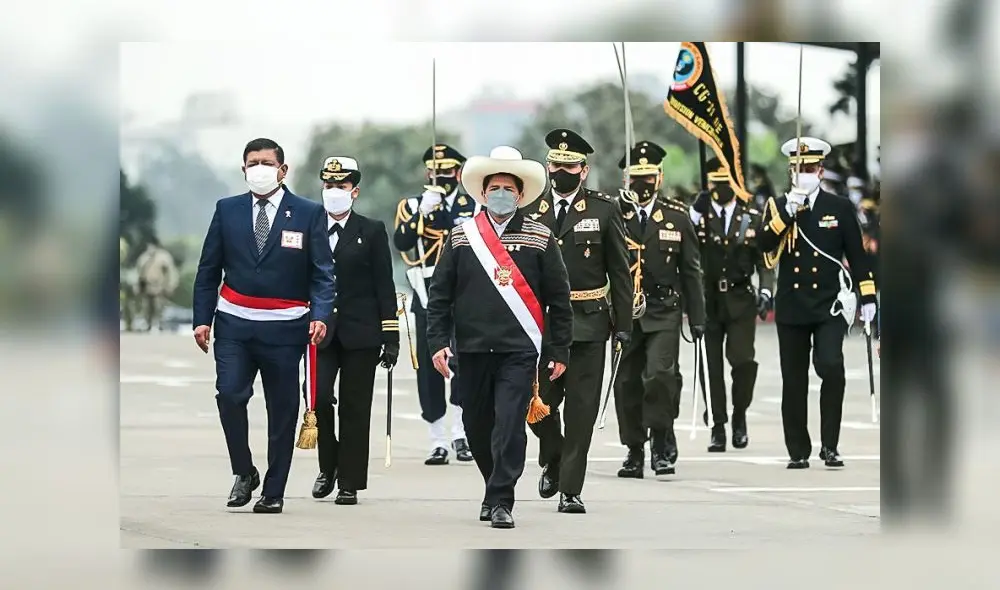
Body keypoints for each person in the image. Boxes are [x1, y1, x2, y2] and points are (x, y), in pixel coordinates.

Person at [425, 146, 573, 529]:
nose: (502, 194)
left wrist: (558, 350)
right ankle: (493, 485)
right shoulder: (461, 237)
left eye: (509, 188)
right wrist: (437, 342)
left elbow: (559, 299)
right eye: (495, 188)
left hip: (519, 351)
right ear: (483, 193)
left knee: (509, 424)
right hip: (471, 349)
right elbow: (440, 295)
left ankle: (502, 498)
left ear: (520, 195)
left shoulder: (541, 237)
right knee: (476, 426)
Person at [192, 137, 335, 513]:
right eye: (252, 162)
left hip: (285, 329)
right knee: (230, 395)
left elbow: (323, 273)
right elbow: (208, 270)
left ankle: (274, 491)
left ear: (282, 170)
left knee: (283, 410)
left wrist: (320, 314)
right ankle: (244, 471)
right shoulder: (227, 210)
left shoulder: (307, 213)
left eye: (266, 162)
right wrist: (201, 319)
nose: (259, 169)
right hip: (234, 324)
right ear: (243, 169)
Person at [520, 128, 632, 514]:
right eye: (555, 165)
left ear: (583, 171)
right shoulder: (530, 210)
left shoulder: (603, 209)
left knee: (581, 411)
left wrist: (624, 325)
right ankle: (552, 455)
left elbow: (620, 272)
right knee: (537, 406)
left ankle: (571, 488)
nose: (561, 171)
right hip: (543, 326)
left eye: (569, 166)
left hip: (588, 323)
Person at [758, 136, 877, 469]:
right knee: (793, 380)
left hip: (828, 306)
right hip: (793, 304)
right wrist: (787, 212)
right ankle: (798, 449)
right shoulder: (778, 206)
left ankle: (831, 445)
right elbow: (763, 243)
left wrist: (868, 296)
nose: (803, 173)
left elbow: (858, 254)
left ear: (820, 171)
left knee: (831, 367)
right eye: (797, 168)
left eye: (809, 168)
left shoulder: (838, 208)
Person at [308, 157, 399, 505]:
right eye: (329, 186)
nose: (334, 192)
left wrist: (390, 336)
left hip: (361, 332)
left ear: (354, 192)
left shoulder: (371, 230)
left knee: (355, 407)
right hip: (319, 332)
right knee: (318, 399)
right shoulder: (309, 227)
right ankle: (327, 466)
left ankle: (349, 481)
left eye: (341, 187)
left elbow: (384, 286)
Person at [613, 140, 705, 478]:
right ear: (626, 180)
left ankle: (662, 439)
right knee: (627, 382)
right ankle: (634, 449)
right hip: (625, 311)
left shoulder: (676, 217)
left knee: (660, 377)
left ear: (660, 177)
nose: (642, 183)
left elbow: (691, 270)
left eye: (648, 176)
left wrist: (698, 316)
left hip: (664, 309)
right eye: (635, 177)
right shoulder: (614, 213)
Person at [393, 144, 477, 465]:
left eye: (446, 172)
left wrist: (440, 213)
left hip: (464, 294)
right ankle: (437, 438)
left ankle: (460, 433)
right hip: (427, 293)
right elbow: (402, 241)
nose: (440, 177)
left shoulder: (472, 205)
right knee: (429, 368)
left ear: (458, 172)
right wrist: (421, 214)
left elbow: (465, 233)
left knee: (463, 364)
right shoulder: (412, 205)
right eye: (434, 171)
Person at [689, 157, 775, 452]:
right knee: (711, 368)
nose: (721, 188)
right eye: (716, 182)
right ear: (709, 183)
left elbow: (765, 261)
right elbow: (682, 248)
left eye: (727, 183)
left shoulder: (751, 215)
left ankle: (740, 415)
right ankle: (718, 426)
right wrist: (692, 213)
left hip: (740, 299)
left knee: (743, 362)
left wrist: (766, 291)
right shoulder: (699, 216)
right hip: (707, 299)